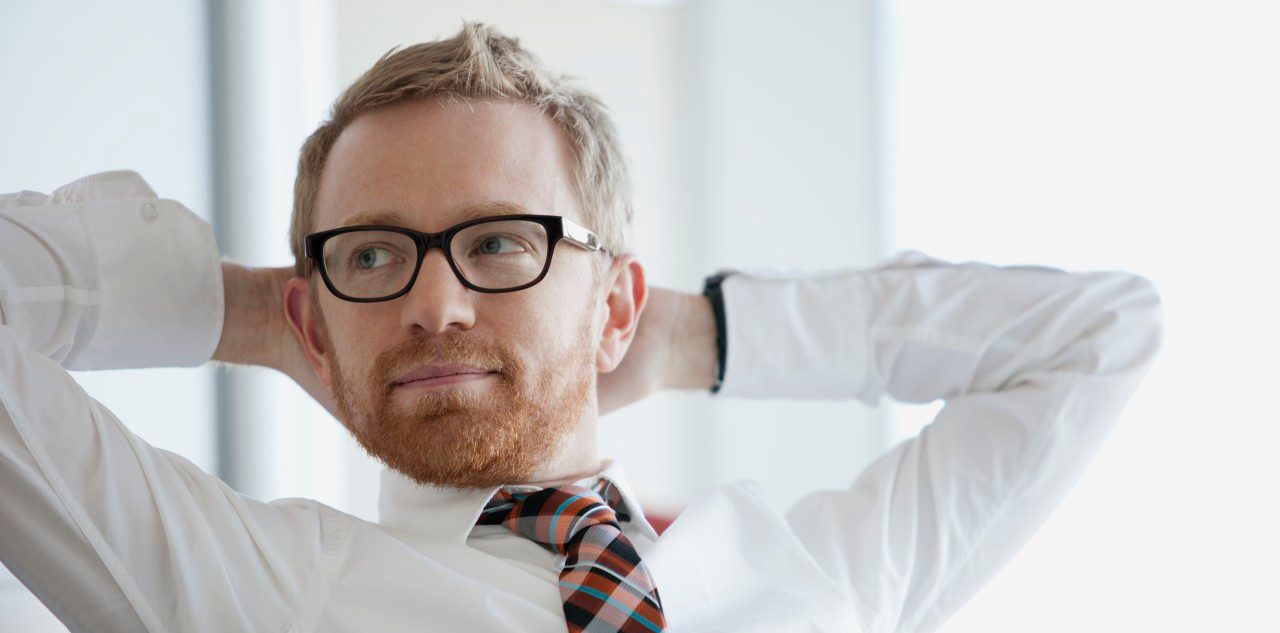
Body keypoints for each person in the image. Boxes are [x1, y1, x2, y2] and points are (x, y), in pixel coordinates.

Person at [0, 21, 1163, 633]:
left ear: (612, 301)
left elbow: (1095, 334)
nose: (434, 302)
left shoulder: (808, 579)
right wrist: (256, 313)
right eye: (373, 254)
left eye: (500, 242)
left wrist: (698, 337)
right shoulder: (260, 596)